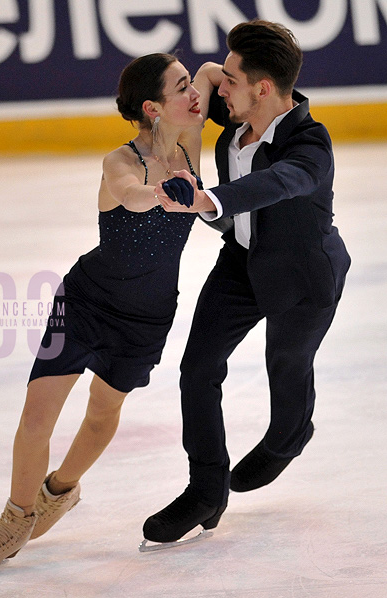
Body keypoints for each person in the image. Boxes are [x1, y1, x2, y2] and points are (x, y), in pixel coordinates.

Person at [0, 53, 204, 571]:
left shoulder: (191, 141)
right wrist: (161, 193)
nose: (195, 93)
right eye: (181, 88)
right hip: (86, 302)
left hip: (147, 318)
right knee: (38, 413)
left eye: (190, 85)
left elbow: (208, 69)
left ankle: (59, 491)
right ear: (152, 108)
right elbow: (131, 197)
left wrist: (205, 74)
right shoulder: (121, 162)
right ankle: (14, 517)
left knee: (101, 413)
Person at [143, 20, 351, 544]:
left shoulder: (310, 143)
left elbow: (280, 181)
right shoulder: (235, 113)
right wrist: (219, 67)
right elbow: (209, 77)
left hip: (303, 273)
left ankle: (289, 436)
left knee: (286, 365)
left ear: (261, 88)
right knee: (198, 367)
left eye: (231, 79)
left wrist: (210, 200)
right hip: (240, 263)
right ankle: (206, 491)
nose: (218, 87)